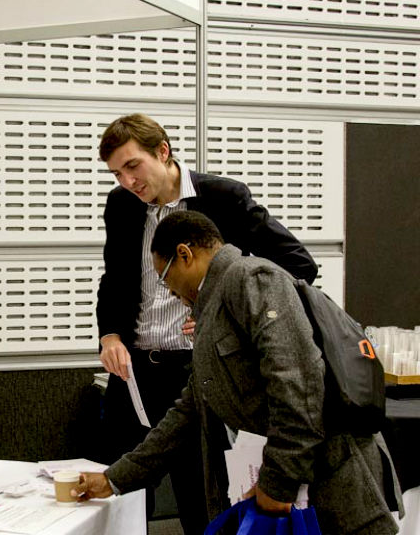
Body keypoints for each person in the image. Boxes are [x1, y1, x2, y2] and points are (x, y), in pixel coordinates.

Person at [77, 210, 401, 535]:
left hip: (331, 482)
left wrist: (277, 483)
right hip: (293, 488)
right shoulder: (212, 309)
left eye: (165, 279)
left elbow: (298, 383)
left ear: (185, 255)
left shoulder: (250, 278)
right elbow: (185, 415)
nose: (170, 293)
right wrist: (114, 479)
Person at [95, 114, 319, 534]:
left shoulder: (222, 197)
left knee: (201, 494)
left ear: (162, 152)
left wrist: (227, 312)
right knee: (124, 489)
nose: (127, 181)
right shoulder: (121, 205)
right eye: (116, 173)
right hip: (136, 368)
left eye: (132, 166)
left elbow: (297, 265)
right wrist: (109, 334)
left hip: (198, 369)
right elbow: (115, 277)